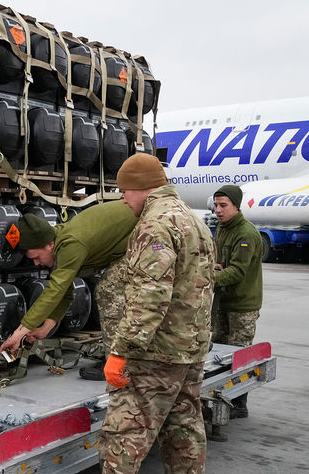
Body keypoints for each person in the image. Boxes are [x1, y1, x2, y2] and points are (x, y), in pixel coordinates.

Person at [100, 153, 215, 474]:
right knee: (185, 428)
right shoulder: (193, 220)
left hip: (156, 354)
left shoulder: (154, 226)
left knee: (124, 434)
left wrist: (121, 352)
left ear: (141, 188)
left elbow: (149, 297)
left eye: (124, 192)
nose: (123, 200)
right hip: (190, 349)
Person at [0, 202, 138, 380]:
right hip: (131, 239)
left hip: (146, 232)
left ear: (49, 245)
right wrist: (44, 329)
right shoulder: (58, 243)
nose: (36, 263)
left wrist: (19, 333)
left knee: (108, 291)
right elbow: (65, 292)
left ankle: (118, 365)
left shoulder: (71, 244)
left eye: (36, 257)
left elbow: (55, 290)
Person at [212, 184, 263, 418]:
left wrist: (208, 278)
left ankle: (239, 404)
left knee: (239, 356)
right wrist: (216, 267)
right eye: (216, 205)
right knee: (218, 354)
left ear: (236, 206)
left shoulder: (246, 233)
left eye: (223, 205)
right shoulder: (223, 228)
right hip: (223, 301)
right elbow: (222, 263)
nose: (218, 210)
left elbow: (237, 271)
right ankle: (219, 397)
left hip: (242, 305)